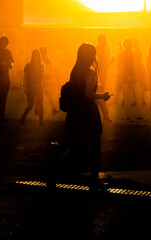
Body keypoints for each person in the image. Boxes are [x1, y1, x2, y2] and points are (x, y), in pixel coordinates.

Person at [57, 43, 112, 192]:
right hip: (89, 112)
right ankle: (94, 182)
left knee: (77, 148)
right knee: (95, 147)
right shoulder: (90, 73)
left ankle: (55, 173)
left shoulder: (75, 71)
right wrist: (102, 96)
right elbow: (88, 94)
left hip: (77, 112)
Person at [20, 49, 45, 126]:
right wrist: (24, 86)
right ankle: (23, 117)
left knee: (40, 104)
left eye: (37, 55)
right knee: (30, 105)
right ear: (32, 56)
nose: (36, 56)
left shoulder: (42, 66)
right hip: (30, 87)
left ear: (39, 56)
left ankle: (41, 121)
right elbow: (25, 76)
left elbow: (43, 78)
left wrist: (45, 87)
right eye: (34, 55)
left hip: (39, 86)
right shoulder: (28, 65)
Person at [117, 38, 143, 108]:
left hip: (134, 78)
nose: (129, 45)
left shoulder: (134, 55)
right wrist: (129, 76)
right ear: (125, 45)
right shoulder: (121, 55)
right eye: (128, 44)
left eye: (130, 43)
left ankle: (138, 115)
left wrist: (135, 76)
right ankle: (128, 116)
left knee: (138, 98)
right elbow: (121, 68)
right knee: (128, 99)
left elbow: (138, 67)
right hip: (126, 79)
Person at [96, 34, 113, 122]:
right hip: (100, 76)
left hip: (101, 75)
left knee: (98, 96)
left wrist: (110, 63)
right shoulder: (99, 50)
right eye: (104, 39)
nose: (105, 41)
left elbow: (103, 65)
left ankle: (98, 115)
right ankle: (105, 115)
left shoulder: (100, 50)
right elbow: (100, 65)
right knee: (99, 95)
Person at [39, 46, 59, 116]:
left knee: (49, 94)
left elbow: (50, 69)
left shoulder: (47, 59)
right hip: (42, 79)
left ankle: (53, 109)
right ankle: (37, 109)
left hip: (47, 79)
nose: (45, 52)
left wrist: (51, 78)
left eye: (45, 51)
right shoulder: (40, 60)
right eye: (44, 51)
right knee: (40, 95)